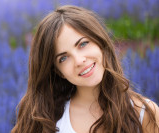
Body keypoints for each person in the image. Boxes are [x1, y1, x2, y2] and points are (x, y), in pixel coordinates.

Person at [11, 5, 159, 133]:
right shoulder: (46, 121)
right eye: (63, 58)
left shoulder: (143, 112)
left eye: (83, 44)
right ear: (58, 71)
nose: (79, 61)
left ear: (99, 42)